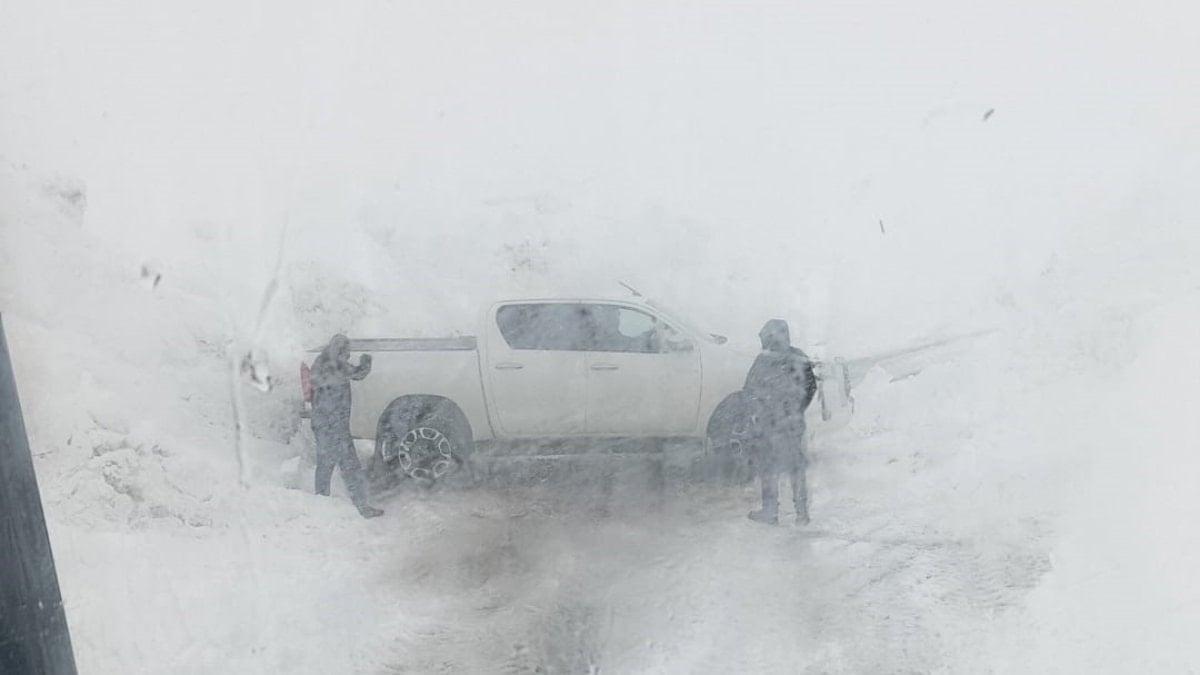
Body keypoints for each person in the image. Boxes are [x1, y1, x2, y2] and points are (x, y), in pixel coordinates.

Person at [744, 319, 818, 526]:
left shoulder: (763, 361)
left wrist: (758, 412)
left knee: (769, 467)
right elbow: (811, 387)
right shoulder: (798, 356)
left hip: (771, 424)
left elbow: (749, 390)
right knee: (795, 467)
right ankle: (801, 513)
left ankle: (770, 512)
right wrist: (797, 409)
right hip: (791, 423)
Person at [310, 334, 383, 518]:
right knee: (349, 468)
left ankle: (321, 505)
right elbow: (357, 374)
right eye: (347, 352)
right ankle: (360, 506)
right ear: (340, 351)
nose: (349, 356)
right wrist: (367, 361)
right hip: (334, 428)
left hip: (324, 425)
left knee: (326, 467)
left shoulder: (322, 363)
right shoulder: (335, 366)